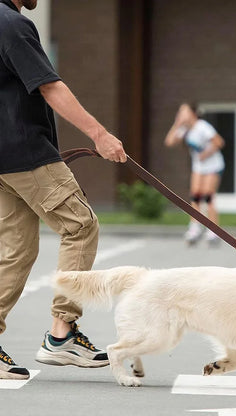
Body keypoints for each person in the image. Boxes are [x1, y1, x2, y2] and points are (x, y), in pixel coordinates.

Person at [0, 0, 127, 380]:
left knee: (18, 248)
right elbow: (50, 87)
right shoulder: (11, 25)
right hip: (26, 152)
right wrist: (99, 134)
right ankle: (62, 335)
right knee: (80, 227)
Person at [165, 103, 225, 244]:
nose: (181, 114)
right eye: (180, 112)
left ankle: (213, 231)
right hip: (199, 166)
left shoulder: (202, 126)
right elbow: (169, 142)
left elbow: (219, 142)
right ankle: (194, 228)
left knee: (208, 196)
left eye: (184, 111)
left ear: (193, 113)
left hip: (213, 165)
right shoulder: (184, 129)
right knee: (195, 196)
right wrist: (177, 124)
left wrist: (206, 153)